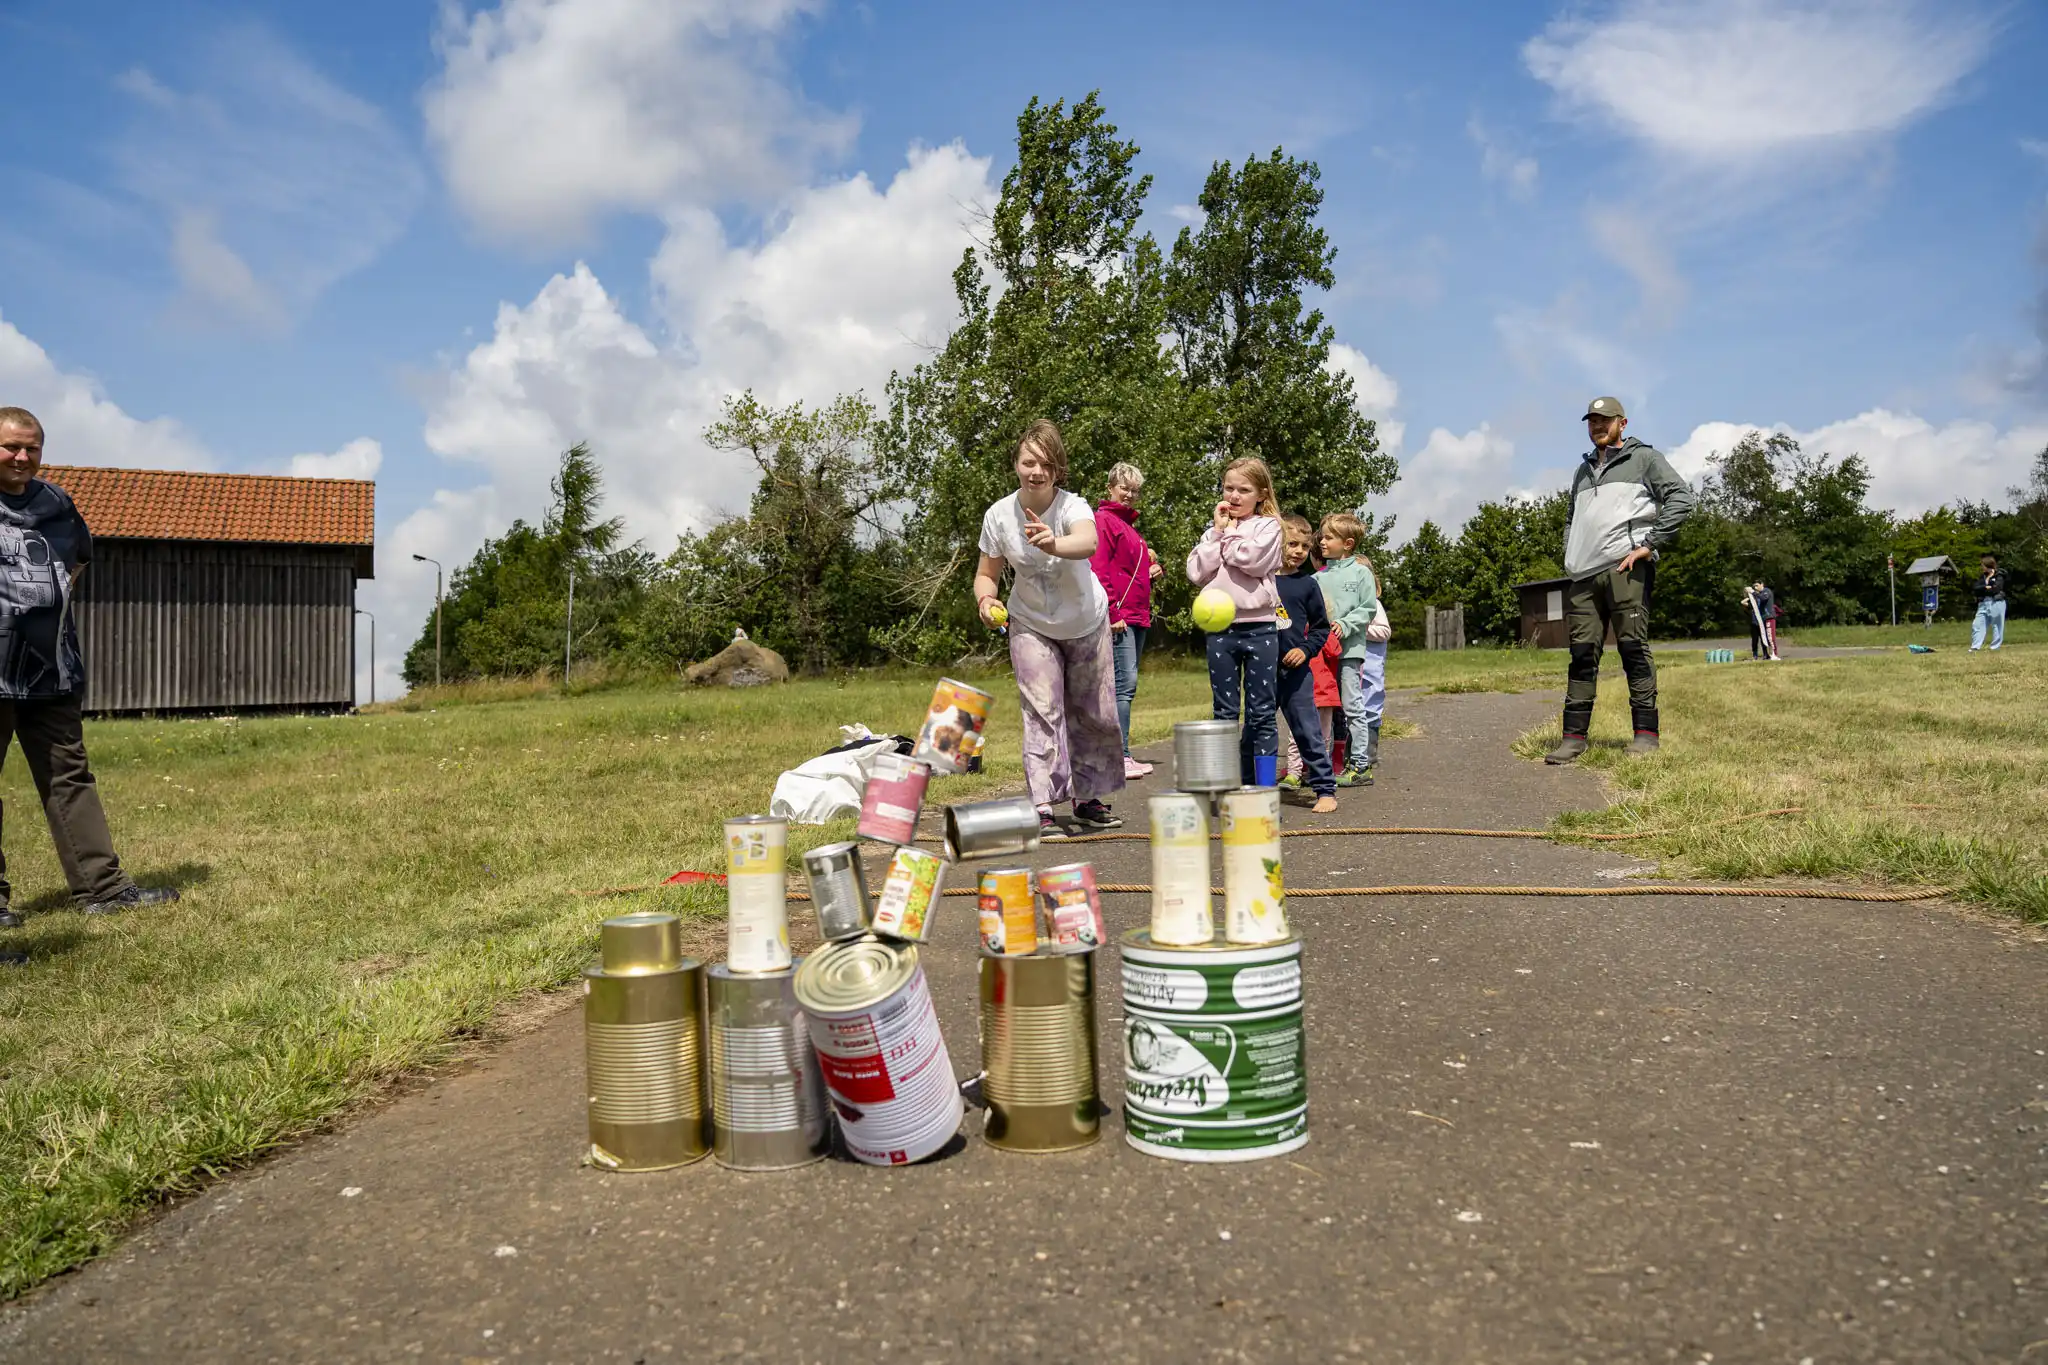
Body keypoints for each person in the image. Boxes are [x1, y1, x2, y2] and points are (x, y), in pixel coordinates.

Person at [0, 406, 180, 932]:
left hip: (51, 670)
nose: (21, 456)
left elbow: (77, 560)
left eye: (31, 447)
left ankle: (103, 889)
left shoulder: (56, 503)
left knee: (69, 776)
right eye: (10, 446)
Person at [975, 419, 1125, 836]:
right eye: (1028, 462)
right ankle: (1043, 805)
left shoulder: (1072, 506)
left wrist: (1052, 543)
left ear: (1058, 468)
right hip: (1030, 621)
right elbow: (986, 573)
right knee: (1042, 711)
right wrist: (986, 601)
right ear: (1016, 464)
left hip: (1086, 619)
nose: (1036, 471)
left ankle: (1087, 800)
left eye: (1045, 463)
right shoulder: (999, 515)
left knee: (1093, 712)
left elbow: (1089, 542)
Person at [1544, 396, 1695, 763]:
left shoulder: (1644, 459)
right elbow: (1572, 519)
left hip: (1624, 569)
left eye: (1605, 420)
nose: (1598, 426)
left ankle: (1645, 735)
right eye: (1592, 420)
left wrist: (1649, 544)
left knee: (1632, 649)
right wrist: (1571, 556)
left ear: (1622, 424)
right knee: (1581, 654)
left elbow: (1682, 499)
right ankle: (1573, 738)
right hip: (1583, 577)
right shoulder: (1582, 472)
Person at [1186, 458, 1284, 786]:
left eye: (1244, 490)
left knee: (1261, 713)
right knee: (1225, 713)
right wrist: (1217, 533)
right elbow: (1197, 572)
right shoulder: (1214, 531)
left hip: (1260, 629)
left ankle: (1265, 787)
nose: (1235, 495)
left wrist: (1227, 537)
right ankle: (1227, 785)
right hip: (1221, 632)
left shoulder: (1268, 527)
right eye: (1229, 488)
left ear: (1262, 494)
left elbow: (1253, 561)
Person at [1088, 462, 1163, 778]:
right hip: (1121, 616)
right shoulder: (1104, 521)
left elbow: (1127, 572)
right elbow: (1099, 567)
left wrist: (1151, 574)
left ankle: (1117, 754)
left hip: (1137, 615)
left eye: (1135, 490)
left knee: (1124, 684)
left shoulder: (1130, 527)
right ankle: (1119, 756)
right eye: (1124, 489)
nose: (1130, 495)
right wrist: (1113, 612)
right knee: (1123, 684)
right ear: (1110, 488)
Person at [1272, 516, 1338, 813]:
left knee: (1308, 731)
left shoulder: (1307, 585)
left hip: (1296, 672)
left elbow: (1322, 628)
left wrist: (1305, 649)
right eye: (1292, 544)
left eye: (1304, 546)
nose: (1298, 551)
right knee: (1255, 731)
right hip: (1262, 671)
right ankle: (1251, 788)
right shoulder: (1260, 580)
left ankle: (1325, 789)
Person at [1317, 514, 1383, 787]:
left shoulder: (1361, 573)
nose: (1321, 541)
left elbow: (1368, 608)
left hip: (1350, 651)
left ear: (1348, 543)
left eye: (1328, 537)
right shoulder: (1318, 577)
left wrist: (1345, 624)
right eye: (1321, 536)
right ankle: (1317, 765)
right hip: (1321, 652)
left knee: (1352, 706)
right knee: (1321, 707)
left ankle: (1360, 765)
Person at [1970, 553, 2007, 652]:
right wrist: (1985, 587)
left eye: (1982, 565)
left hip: (1996, 602)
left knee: (1997, 625)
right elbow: (1975, 589)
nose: (1981, 567)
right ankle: (1975, 646)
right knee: (1977, 624)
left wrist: (1986, 589)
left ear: (1988, 565)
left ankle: (1995, 647)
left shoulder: (1999, 575)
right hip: (1983, 603)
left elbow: (1996, 589)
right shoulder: (1982, 576)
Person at [1743, 580, 1780, 661]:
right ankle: (1771, 654)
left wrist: (1752, 591)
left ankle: (1774, 654)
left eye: (1757, 585)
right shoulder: (1759, 595)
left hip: (1769, 617)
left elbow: (1763, 598)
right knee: (1767, 637)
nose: (1755, 588)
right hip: (1764, 619)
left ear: (1762, 584)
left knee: (1770, 637)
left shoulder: (1767, 591)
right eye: (1754, 586)